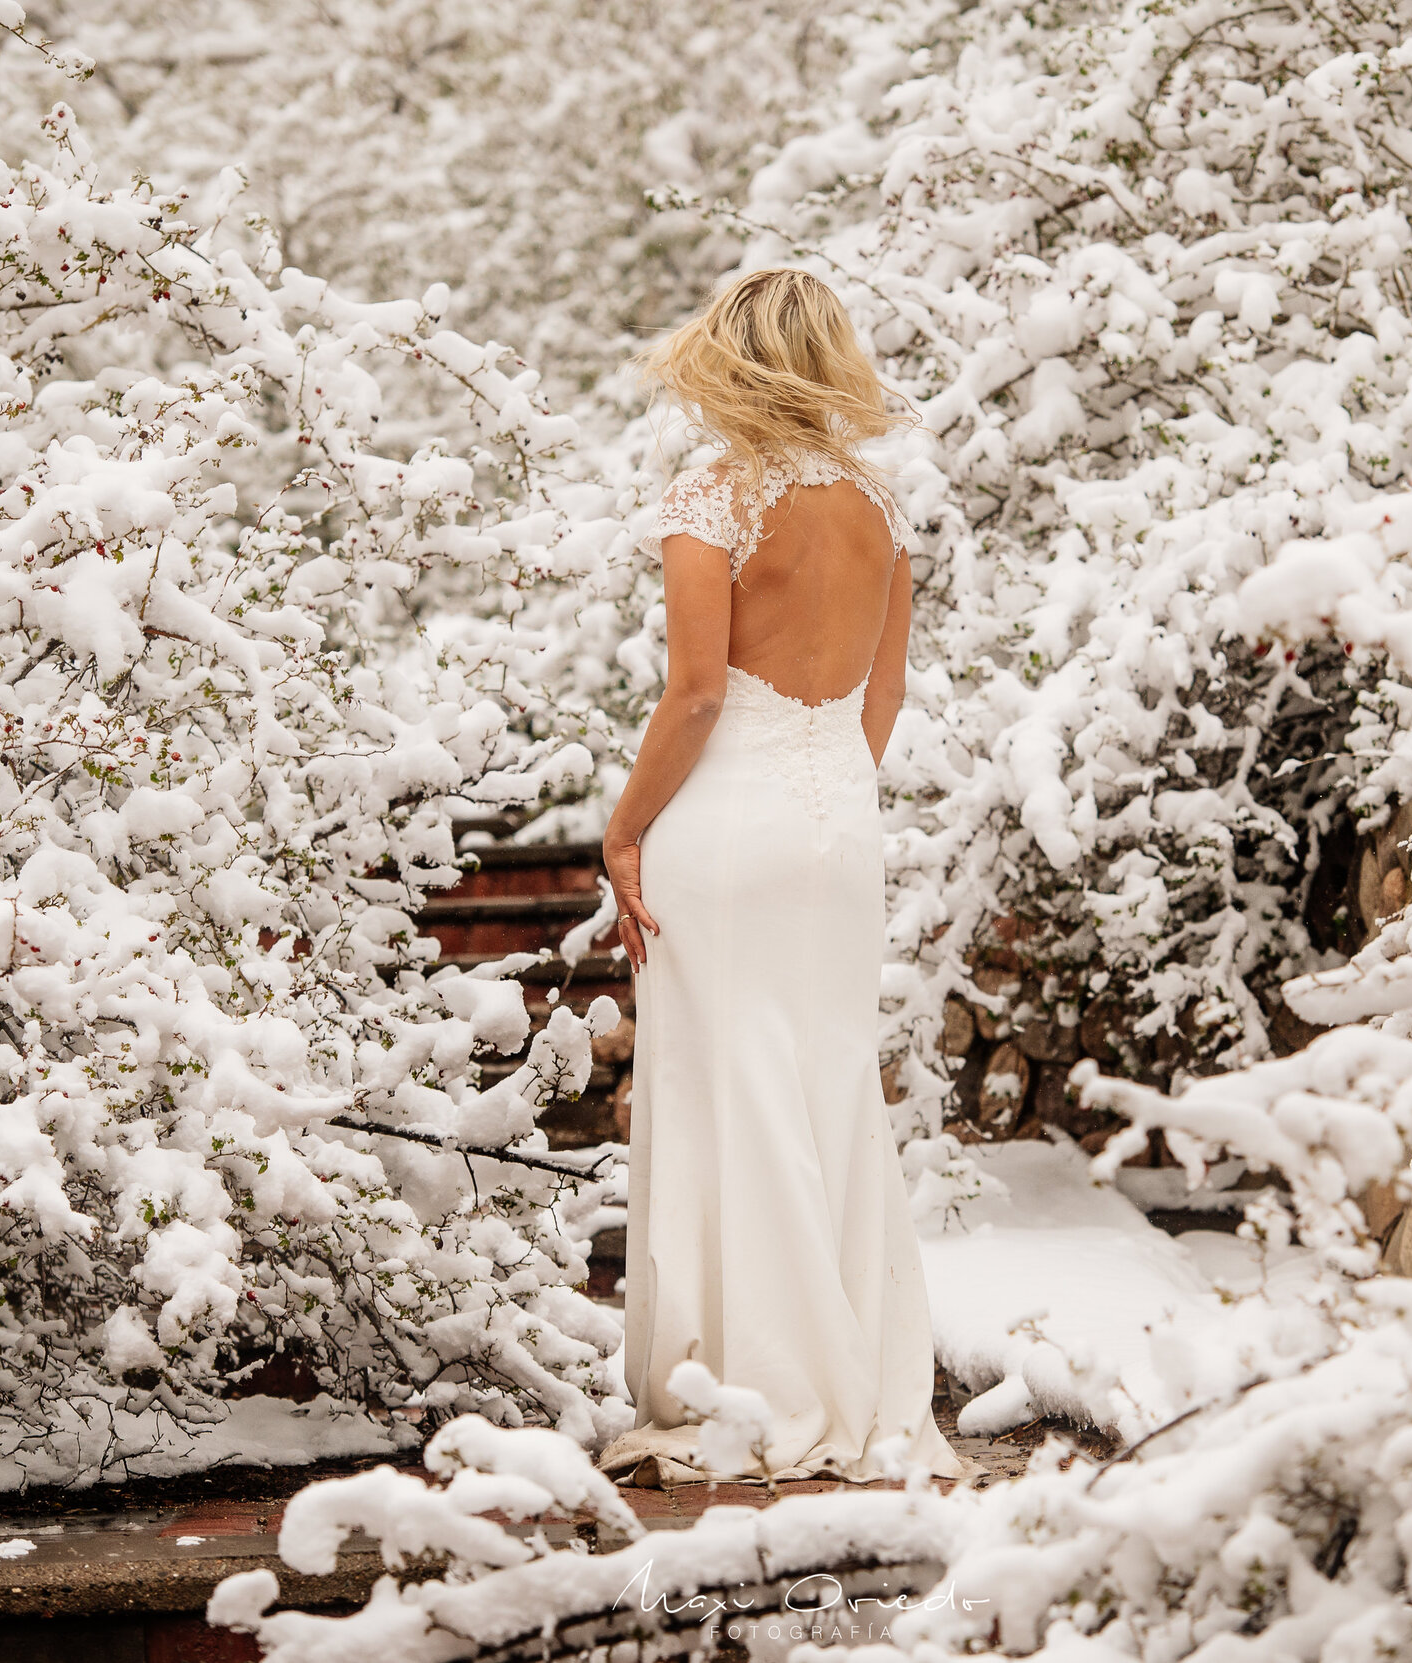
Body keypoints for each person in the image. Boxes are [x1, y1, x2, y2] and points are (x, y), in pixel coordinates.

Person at [590, 269, 963, 1487]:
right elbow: (886, 694)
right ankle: (848, 1370)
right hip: (838, 829)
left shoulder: (713, 496)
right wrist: (825, 796)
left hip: (726, 829)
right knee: (824, 1082)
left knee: (724, 1083)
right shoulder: (880, 506)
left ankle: (747, 1383)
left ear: (726, 361)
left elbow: (697, 692)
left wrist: (626, 826)